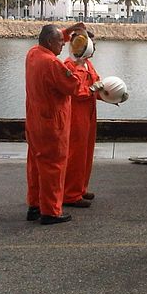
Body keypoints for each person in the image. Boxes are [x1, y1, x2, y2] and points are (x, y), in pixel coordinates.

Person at [25, 22, 87, 225]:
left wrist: (70, 30)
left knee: (36, 164)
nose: (63, 45)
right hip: (52, 123)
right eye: (61, 42)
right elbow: (74, 86)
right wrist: (78, 65)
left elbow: (54, 35)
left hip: (35, 120)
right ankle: (50, 211)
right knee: (53, 166)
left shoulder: (33, 53)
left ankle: (35, 205)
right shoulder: (53, 64)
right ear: (51, 42)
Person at [62, 31, 102, 208]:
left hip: (89, 110)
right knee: (76, 152)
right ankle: (70, 193)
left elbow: (97, 83)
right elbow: (77, 91)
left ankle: (80, 187)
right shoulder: (69, 66)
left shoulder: (87, 64)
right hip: (77, 112)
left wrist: (111, 95)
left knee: (86, 151)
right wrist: (93, 89)